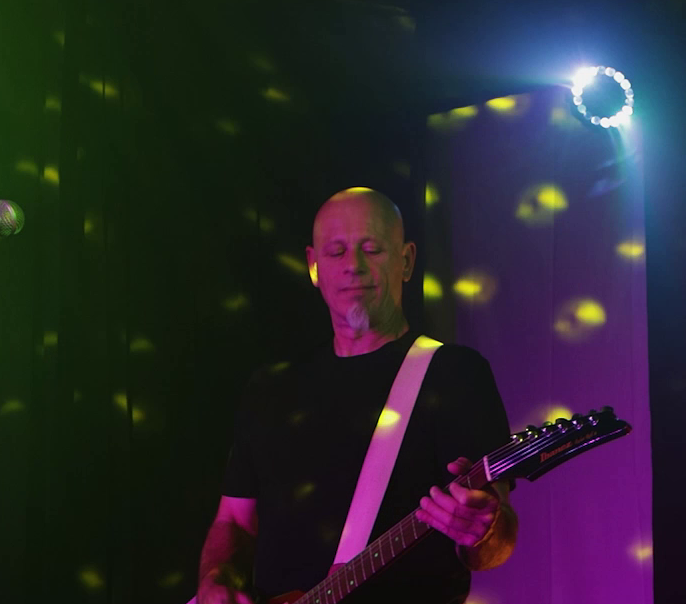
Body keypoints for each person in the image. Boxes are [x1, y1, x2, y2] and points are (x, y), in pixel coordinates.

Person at [196, 188, 517, 604]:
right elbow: (234, 523)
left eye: (372, 248)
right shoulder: (270, 389)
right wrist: (215, 579)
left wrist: (485, 529)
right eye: (337, 252)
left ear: (406, 260)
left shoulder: (455, 374)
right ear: (314, 267)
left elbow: (496, 532)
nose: (354, 266)